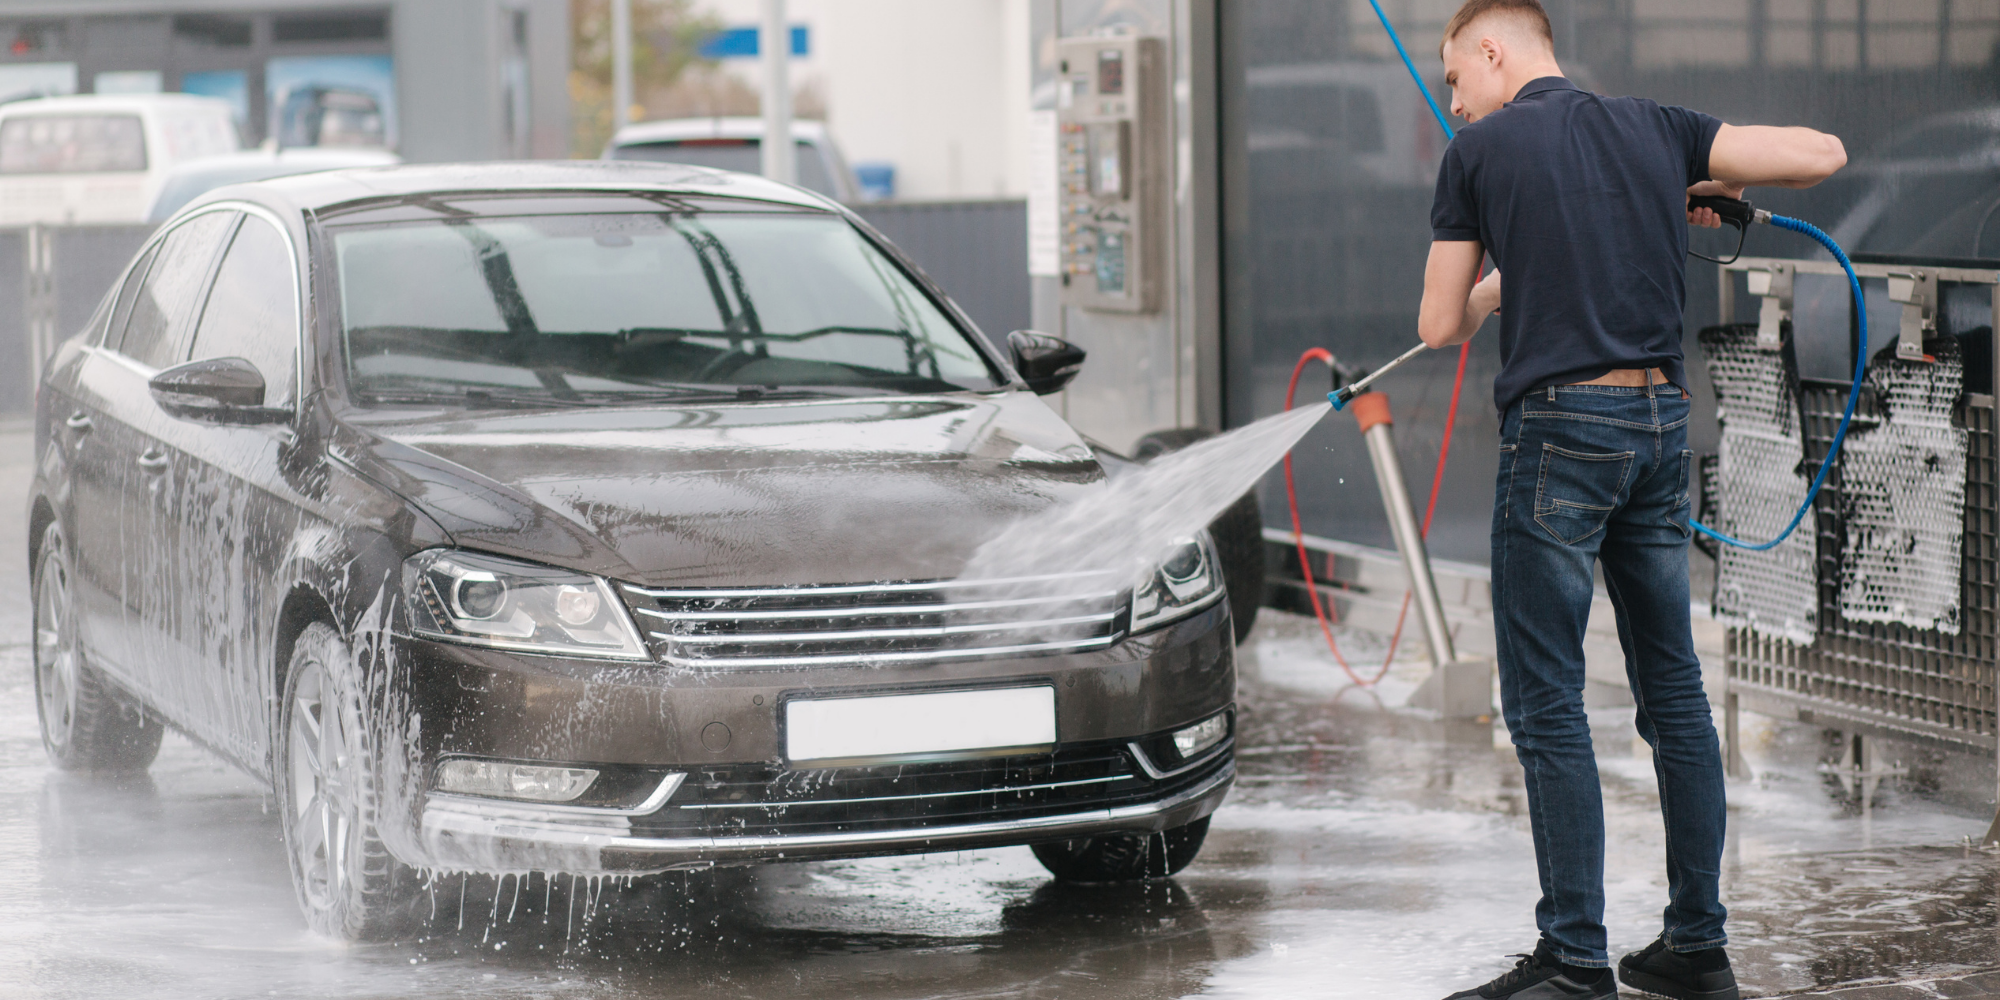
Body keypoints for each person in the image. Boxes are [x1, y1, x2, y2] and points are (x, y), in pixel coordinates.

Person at [1416, 2, 1846, 998]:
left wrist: (1495, 281)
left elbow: (1438, 321)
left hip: (1559, 436)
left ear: (1493, 50)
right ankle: (1696, 945)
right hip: (1657, 433)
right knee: (1674, 696)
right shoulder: (1656, 126)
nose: (1452, 102)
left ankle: (1571, 959)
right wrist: (1709, 176)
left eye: (1453, 79)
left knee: (1546, 704)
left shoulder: (1476, 154)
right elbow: (1818, 153)